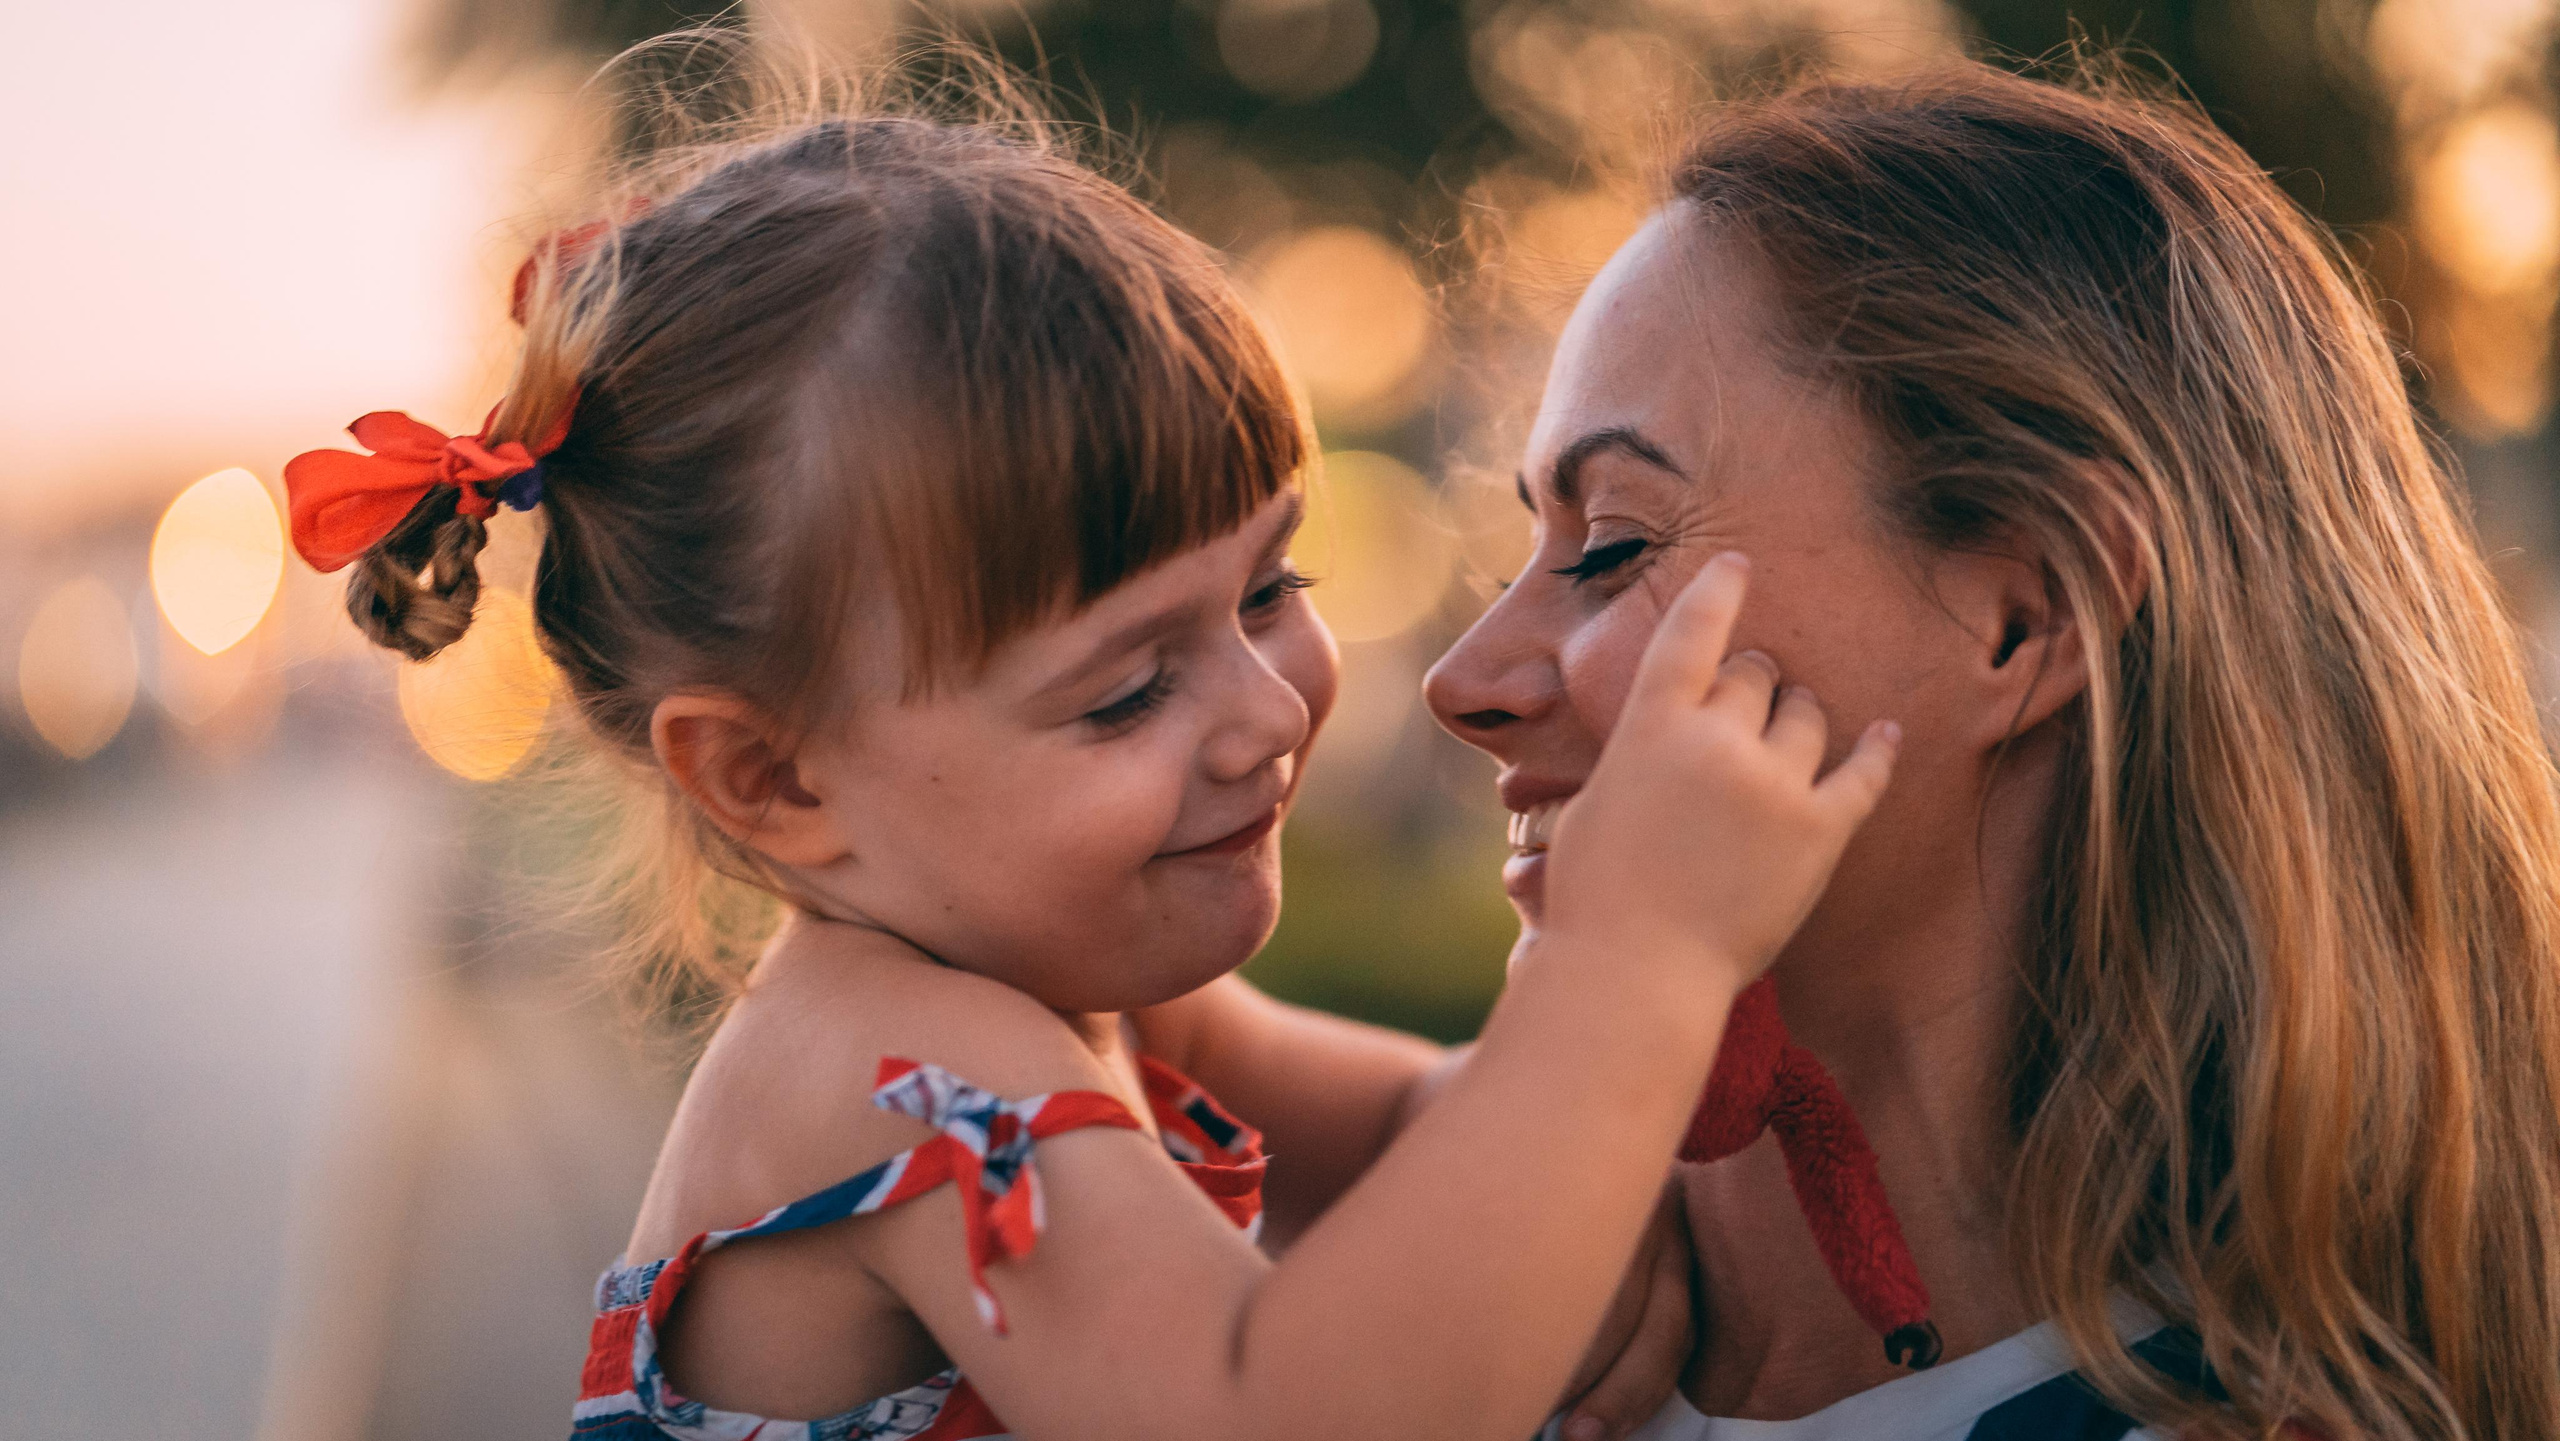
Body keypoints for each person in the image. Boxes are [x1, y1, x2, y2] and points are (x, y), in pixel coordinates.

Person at [280, 65, 1899, 1441]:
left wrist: (1597, 1181)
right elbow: (1289, 1411)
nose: (1270, 707)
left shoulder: (1091, 990)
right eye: (1127, 691)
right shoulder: (883, 1072)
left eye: (1271, 586)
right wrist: (1639, 957)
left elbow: (1432, 1138)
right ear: (773, 778)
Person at [1427, 61, 2560, 1441]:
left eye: (1613, 543)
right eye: (1524, 548)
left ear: (2025, 617)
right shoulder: (1386, 1315)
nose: (1465, 677)